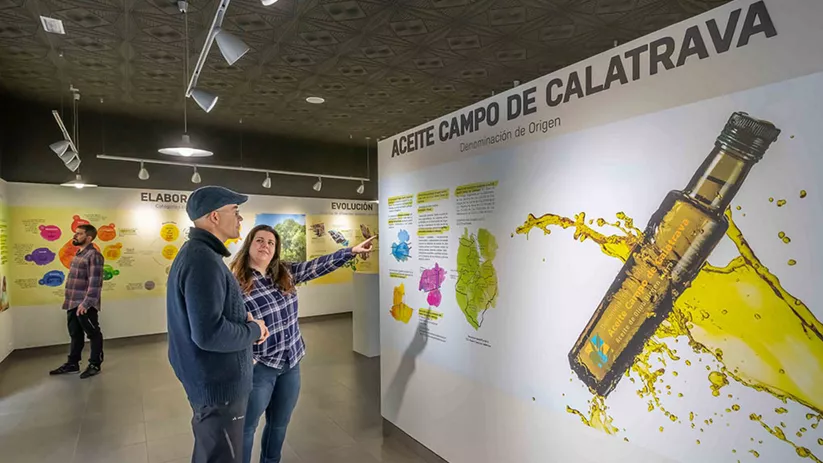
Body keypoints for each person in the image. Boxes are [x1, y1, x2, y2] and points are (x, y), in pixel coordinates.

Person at [230, 224, 376, 463]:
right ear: (249, 245)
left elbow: (316, 267)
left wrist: (350, 251)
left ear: (276, 249)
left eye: (270, 242)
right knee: (247, 428)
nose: (265, 245)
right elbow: (229, 325)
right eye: (259, 240)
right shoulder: (236, 284)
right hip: (260, 367)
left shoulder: (284, 272)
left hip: (291, 364)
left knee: (279, 424)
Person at [167, 186, 270, 463]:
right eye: (235, 212)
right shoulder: (203, 260)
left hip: (210, 382)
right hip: (218, 386)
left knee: (212, 452)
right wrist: (254, 330)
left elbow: (208, 316)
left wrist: (241, 318)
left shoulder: (200, 255)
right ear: (214, 217)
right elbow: (209, 334)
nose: (240, 219)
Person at [49, 224, 105, 379]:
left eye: (79, 234)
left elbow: (95, 283)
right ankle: (73, 363)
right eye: (76, 233)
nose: (75, 236)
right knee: (75, 334)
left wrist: (86, 303)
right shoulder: (79, 254)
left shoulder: (94, 256)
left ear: (88, 237)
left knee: (93, 334)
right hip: (72, 302)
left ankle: (95, 364)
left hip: (84, 305)